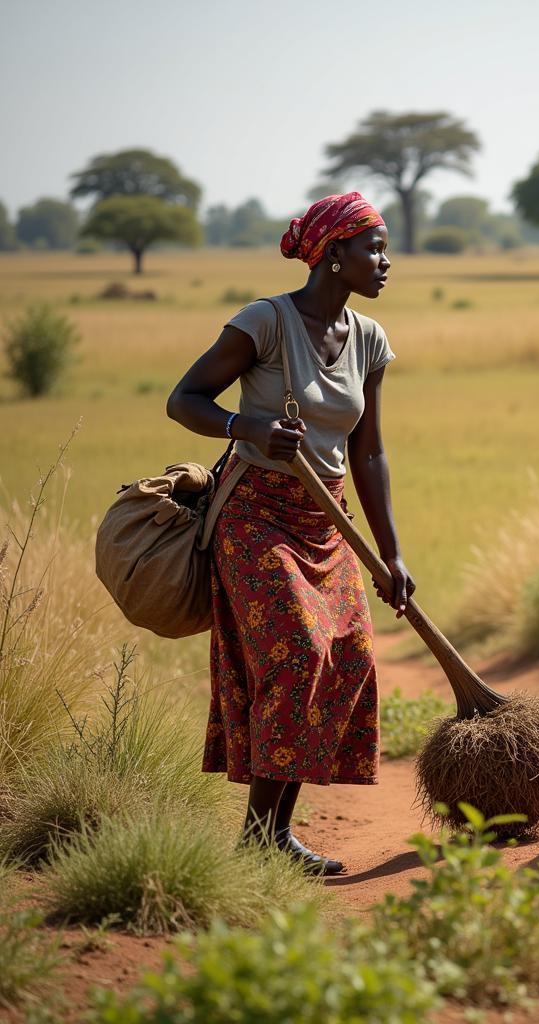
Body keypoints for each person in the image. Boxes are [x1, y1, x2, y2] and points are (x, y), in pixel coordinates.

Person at [167, 193, 412, 875]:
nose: (385, 262)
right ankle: (259, 839)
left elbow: (369, 452)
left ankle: (273, 833)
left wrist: (391, 552)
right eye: (373, 248)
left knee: (352, 655)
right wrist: (246, 427)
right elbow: (183, 398)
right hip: (254, 513)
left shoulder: (369, 339)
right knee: (298, 651)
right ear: (334, 253)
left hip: (325, 517)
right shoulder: (266, 322)